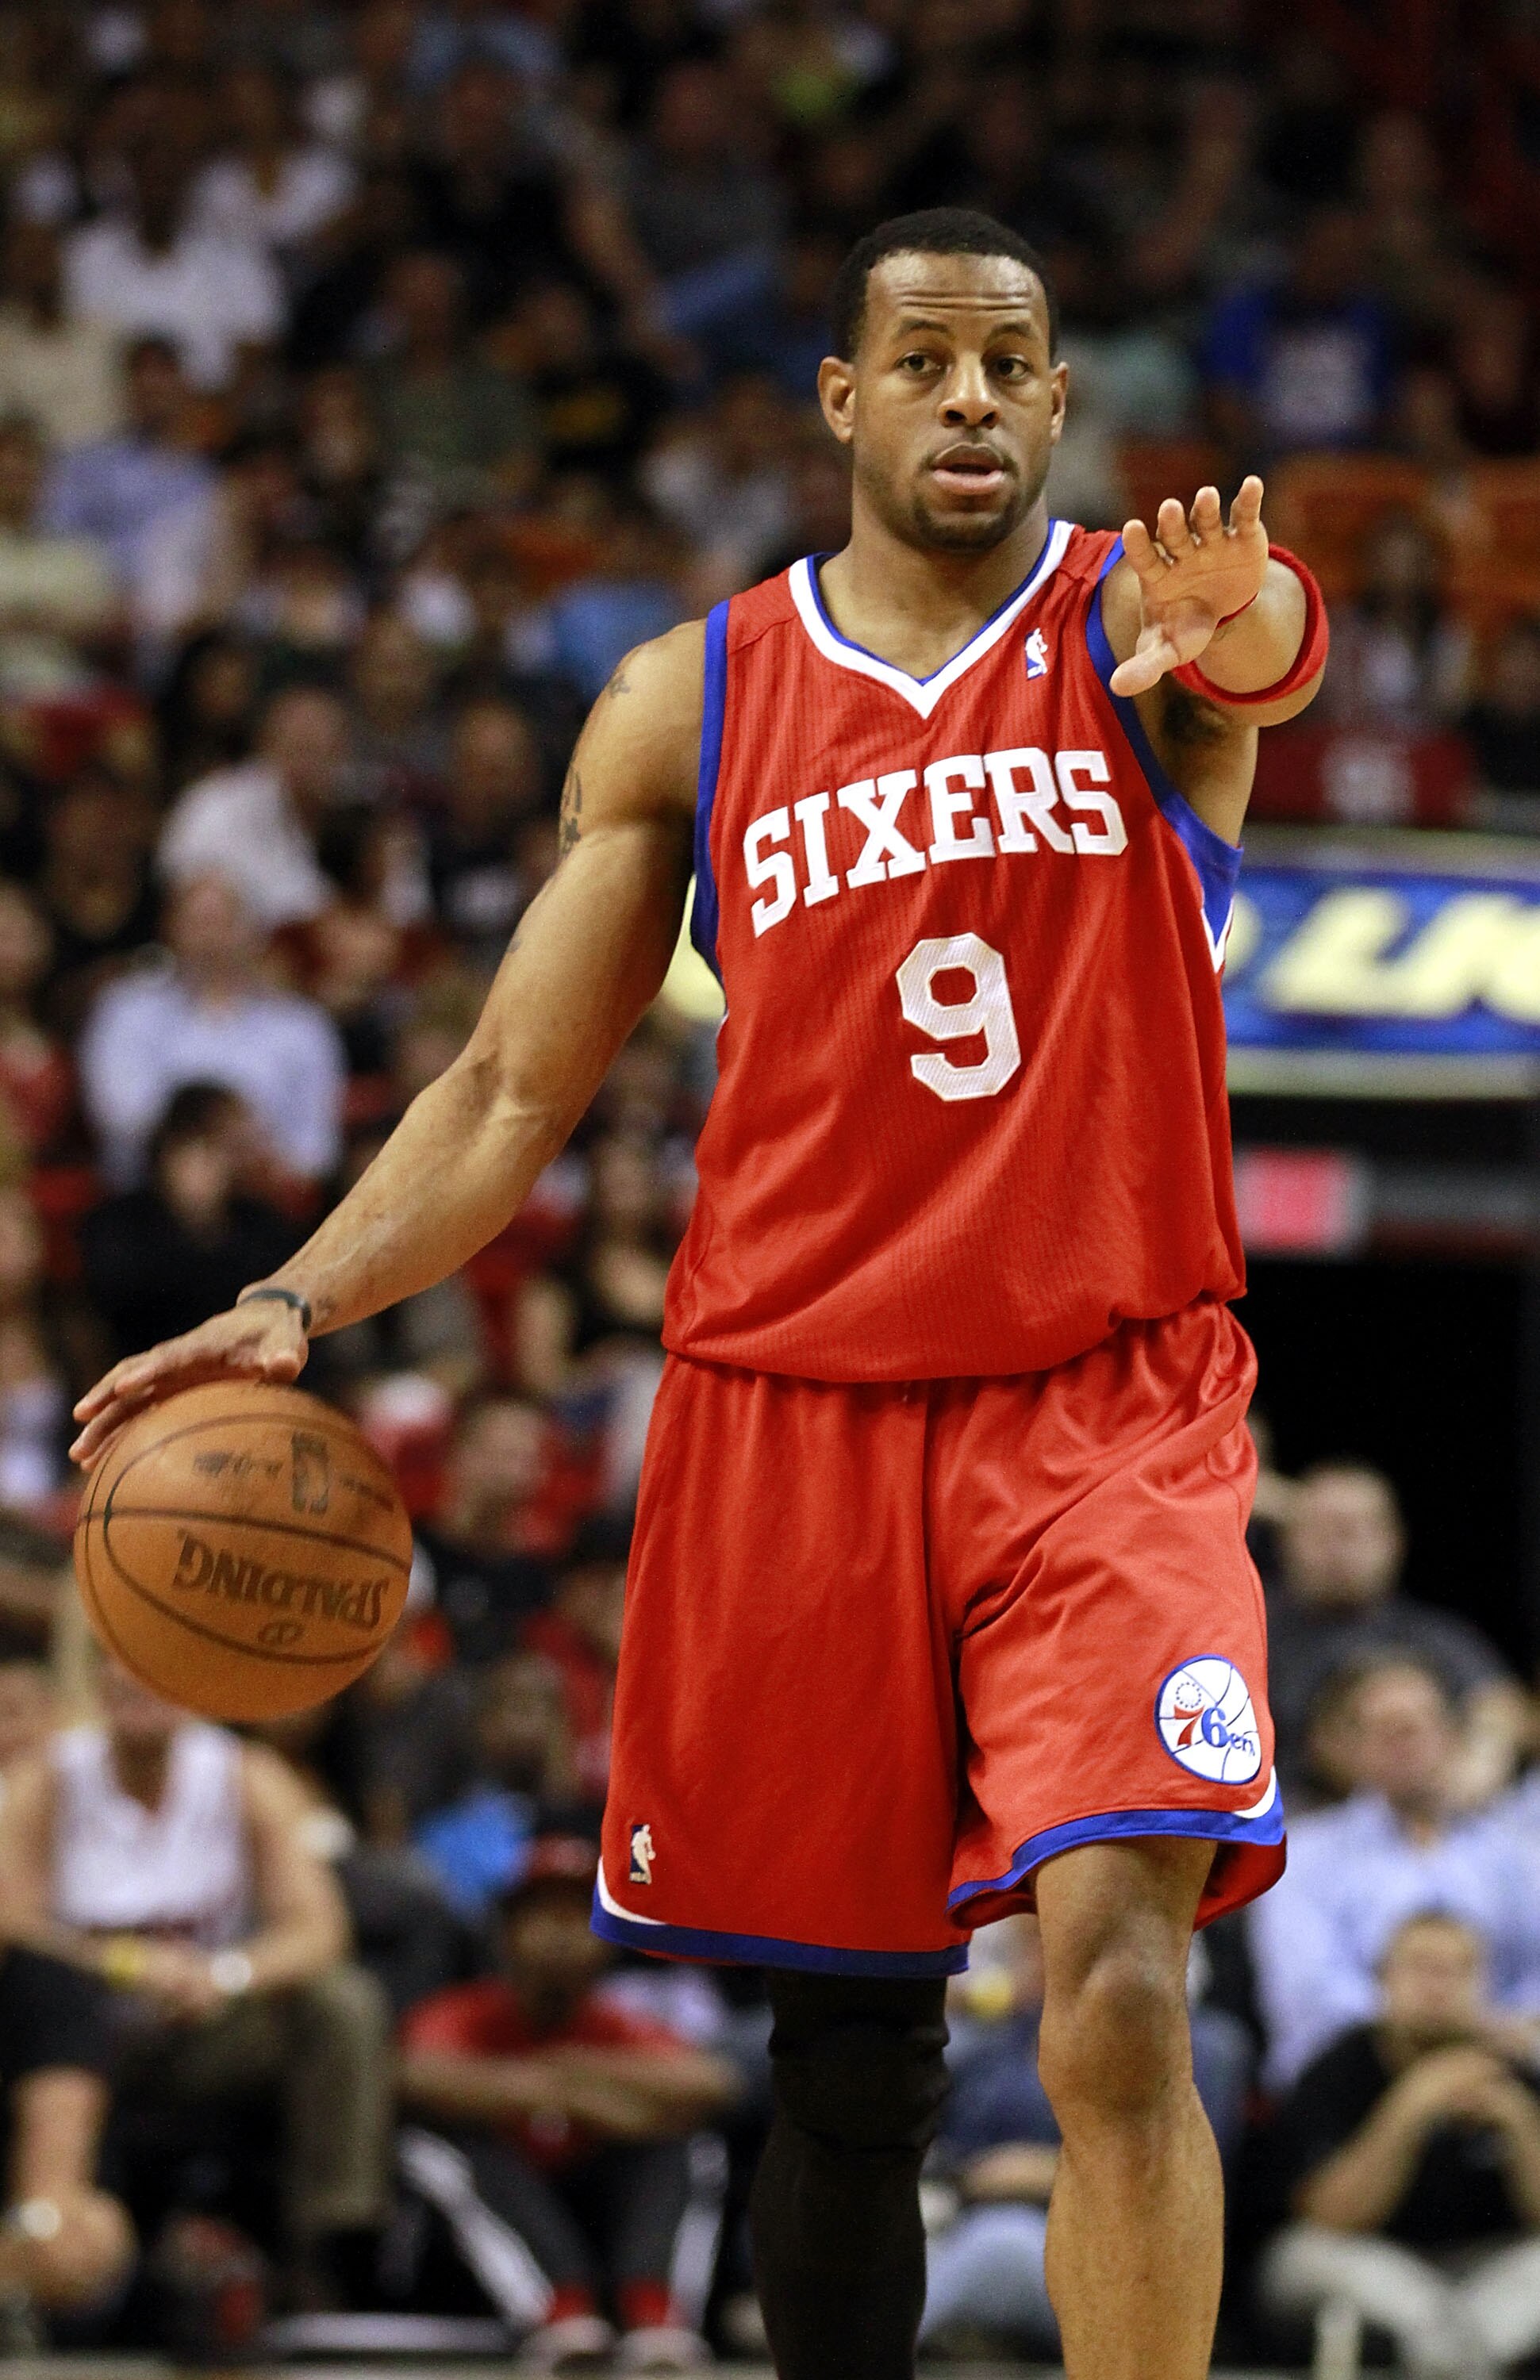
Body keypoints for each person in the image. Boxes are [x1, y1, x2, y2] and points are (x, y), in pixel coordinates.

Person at [73, 206, 1331, 2380]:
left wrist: (1259, 609)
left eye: (1006, 364)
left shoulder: (1135, 622)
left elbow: (1268, 651)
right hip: (798, 1411)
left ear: (1056, 401)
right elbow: (504, 1090)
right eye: (920, 359)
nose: (966, 398)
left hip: (1101, 1403)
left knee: (1122, 1987)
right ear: (839, 398)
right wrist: (295, 1298)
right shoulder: (692, 695)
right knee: (847, 2067)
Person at [0, 1656, 394, 2304]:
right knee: (44, 2001)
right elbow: (13, 1921)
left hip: (204, 2026)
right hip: (76, 2032)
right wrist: (126, 1964)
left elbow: (319, 1931)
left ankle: (332, 2252)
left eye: (157, 1669)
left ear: (196, 1685)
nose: (139, 1687)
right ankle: (49, 2238)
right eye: (124, 1669)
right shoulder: (48, 1777)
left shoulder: (245, 1775)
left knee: (342, 2003)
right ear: (97, 1682)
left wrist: (225, 1975)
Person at [397, 1833, 738, 2368]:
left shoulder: (618, 2022)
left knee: (688, 2147)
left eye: (578, 1916)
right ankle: (558, 2310)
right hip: (480, 2248)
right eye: (542, 1915)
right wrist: (592, 2097)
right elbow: (418, 2077)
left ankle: (654, 2313)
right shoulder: (461, 2012)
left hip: (596, 2213)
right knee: (439, 2149)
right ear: (506, 1933)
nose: (561, 1933)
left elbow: (712, 2083)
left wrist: (562, 2082)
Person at [1258, 1912, 1540, 2379]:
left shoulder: (1510, 2072)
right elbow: (1330, 2217)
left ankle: (1455, 2353)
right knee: (1302, 2255)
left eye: (1457, 1970)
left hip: (1487, 2271)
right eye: (1421, 1967)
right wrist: (1412, 2105)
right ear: (1383, 1979)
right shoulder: (1340, 2067)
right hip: (1378, 2264)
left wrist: (1518, 2121)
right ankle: (1454, 2348)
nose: (1438, 1986)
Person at [1250, 1657, 1540, 2091]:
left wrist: (1495, 2031)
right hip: (1355, 2072)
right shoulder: (1304, 1855)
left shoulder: (1509, 1852)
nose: (1404, 1745)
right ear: (1350, 1748)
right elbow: (1307, 1994)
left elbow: (1533, 1973)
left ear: (1452, 1735)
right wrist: (1441, 2031)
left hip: (1496, 2060)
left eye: (1415, 1728)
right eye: (1385, 1731)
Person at [1265, 1462, 1527, 1806]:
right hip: (1281, 1819)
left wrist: (1480, 1762)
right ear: (1286, 1541)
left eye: (1354, 1530)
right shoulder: (1250, 1629)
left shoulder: (1432, 1634)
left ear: (1394, 1541)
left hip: (1410, 1821)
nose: (1338, 1547)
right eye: (1321, 1529)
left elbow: (1499, 1706)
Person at [78, 874, 345, 1188]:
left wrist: (258, 1160)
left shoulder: (301, 1026)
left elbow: (317, 1147)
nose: (211, 937)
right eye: (198, 923)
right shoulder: (126, 1009)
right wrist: (209, 1143)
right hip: (150, 1192)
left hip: (265, 1195)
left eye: (223, 922)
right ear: (170, 928)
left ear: (254, 933)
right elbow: (119, 1115)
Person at [0, 1945, 135, 2343]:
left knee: (87, 2235)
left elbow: (48, 2200)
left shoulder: (44, 1986)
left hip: (14, 2224)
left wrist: (36, 2231)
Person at [158, 683, 352, 931]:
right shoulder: (214, 805)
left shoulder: (363, 811)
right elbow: (188, 895)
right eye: (296, 746)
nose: (306, 763)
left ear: (343, 751)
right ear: (266, 744)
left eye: (318, 748)